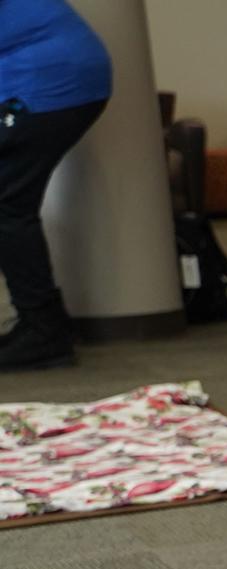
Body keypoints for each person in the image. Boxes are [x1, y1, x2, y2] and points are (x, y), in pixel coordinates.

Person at [0, 0, 111, 371]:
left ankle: (44, 331)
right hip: (61, 78)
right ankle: (43, 326)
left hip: (48, 82)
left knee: (6, 205)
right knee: (10, 204)